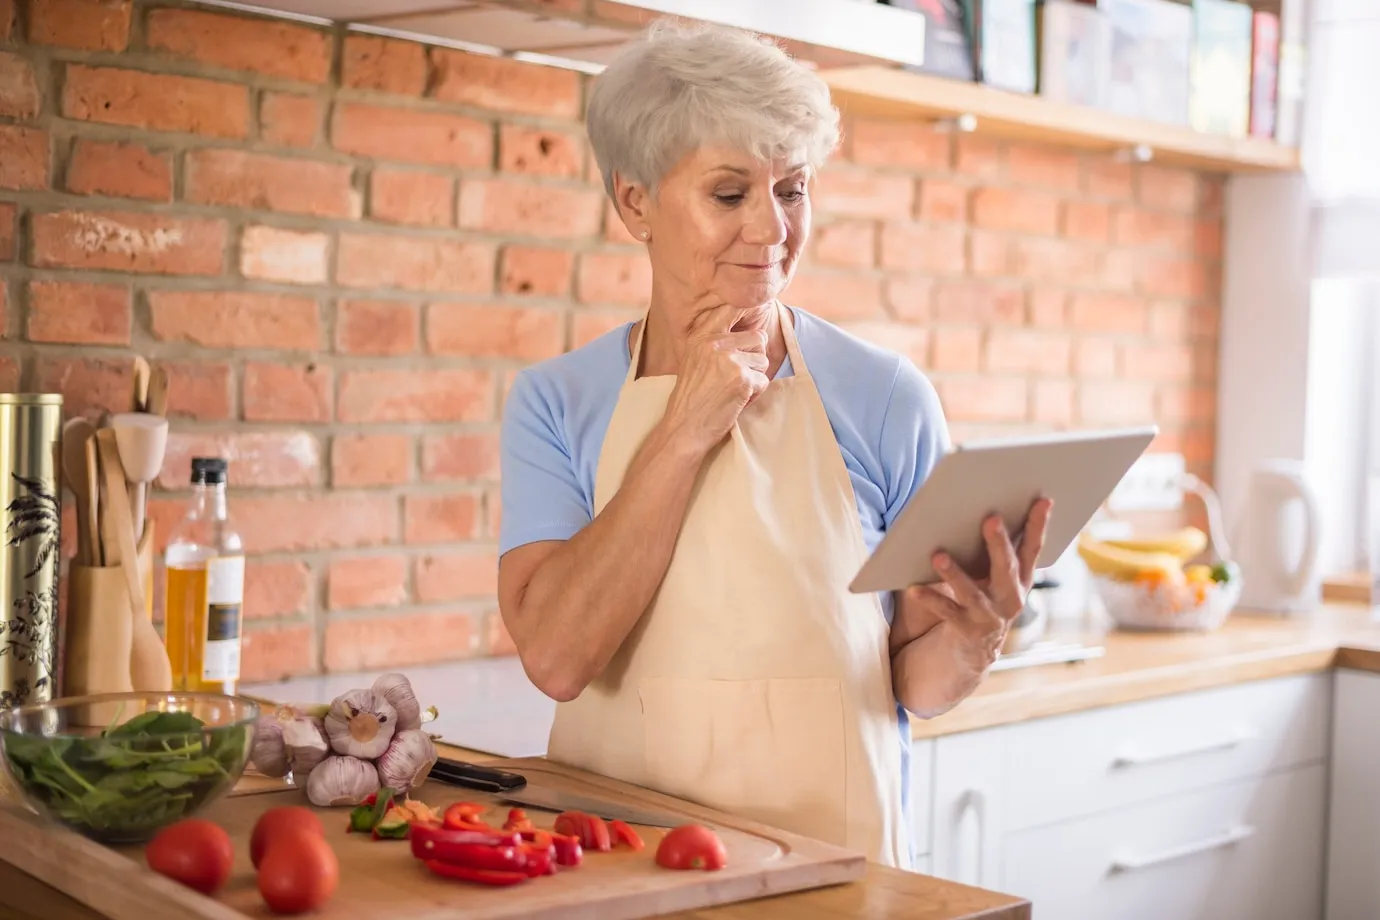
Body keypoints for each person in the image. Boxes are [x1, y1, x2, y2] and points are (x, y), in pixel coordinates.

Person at [496, 19, 1053, 869]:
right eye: (729, 194)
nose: (771, 229)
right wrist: (686, 428)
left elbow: (911, 681)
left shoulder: (886, 397)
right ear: (635, 201)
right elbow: (559, 657)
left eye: (791, 190)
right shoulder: (556, 402)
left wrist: (975, 639)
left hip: (828, 873)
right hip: (615, 870)